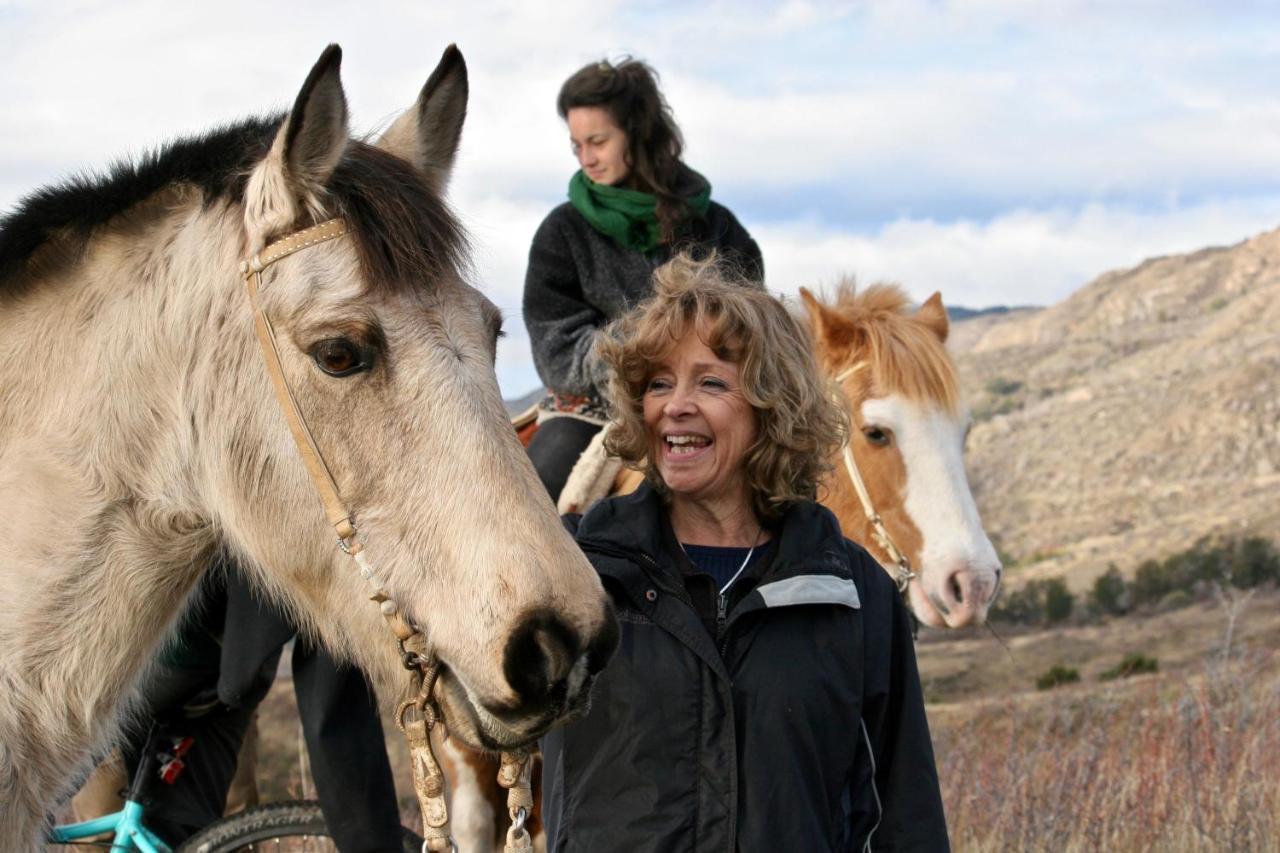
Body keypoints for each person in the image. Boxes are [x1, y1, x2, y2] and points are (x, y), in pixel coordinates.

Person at [540, 255, 949, 851]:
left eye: (710, 382)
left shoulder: (855, 595)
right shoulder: (575, 574)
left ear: (771, 407)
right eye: (658, 382)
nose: (675, 405)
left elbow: (904, 814)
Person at [523, 57, 763, 503]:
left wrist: (691, 372)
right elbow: (556, 348)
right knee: (532, 495)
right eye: (577, 145)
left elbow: (752, 324)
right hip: (591, 412)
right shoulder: (562, 232)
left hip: (708, 401)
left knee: (790, 479)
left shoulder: (717, 227)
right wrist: (647, 356)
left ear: (638, 133)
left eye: (597, 141)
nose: (586, 158)